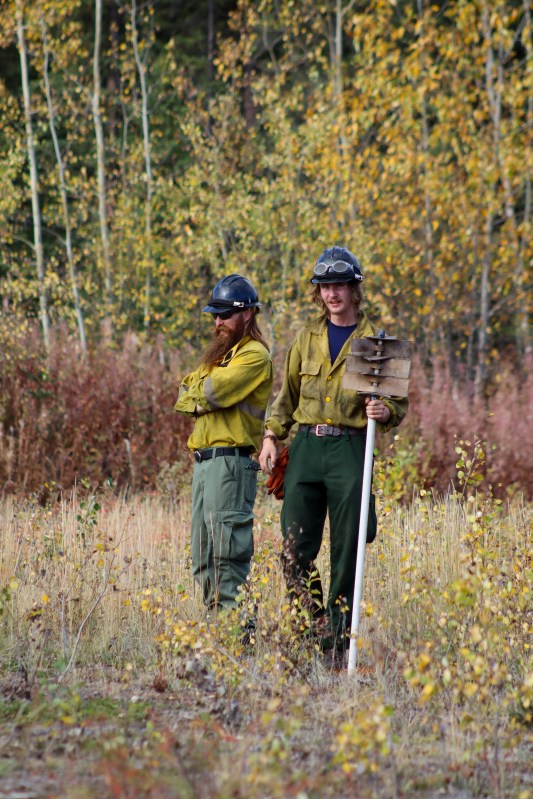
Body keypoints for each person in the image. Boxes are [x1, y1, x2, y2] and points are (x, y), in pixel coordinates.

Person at [259, 246, 408, 651]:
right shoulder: (305, 339)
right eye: (325, 286)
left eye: (339, 284)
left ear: (353, 288)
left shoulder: (377, 343)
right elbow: (286, 397)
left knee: (348, 548)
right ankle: (313, 627)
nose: (332, 294)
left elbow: (399, 404)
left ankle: (340, 641)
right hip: (306, 447)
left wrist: (384, 409)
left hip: (350, 447)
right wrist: (272, 437)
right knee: (293, 546)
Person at [174, 274, 273, 619]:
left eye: (225, 315)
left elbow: (209, 392)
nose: (217, 322)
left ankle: (239, 643)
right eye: (214, 315)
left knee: (227, 557)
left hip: (230, 466)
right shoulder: (219, 357)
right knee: (203, 558)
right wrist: (200, 396)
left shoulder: (254, 356)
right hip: (205, 465)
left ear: (247, 314)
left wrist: (201, 396)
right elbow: (185, 392)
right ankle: (218, 641)